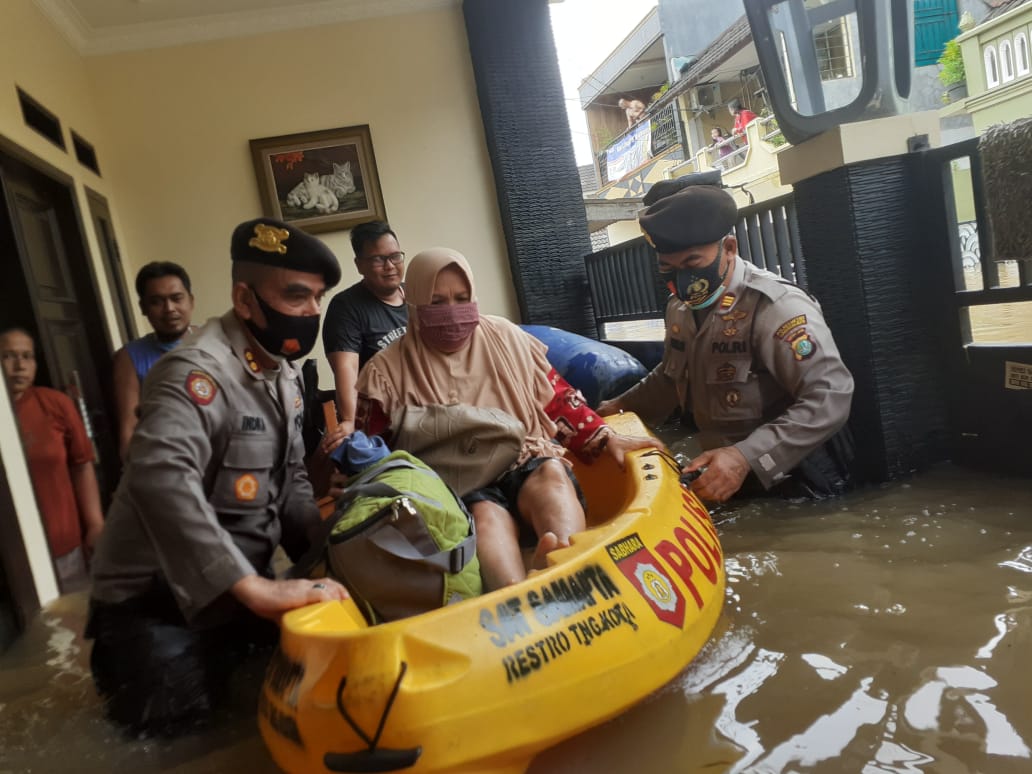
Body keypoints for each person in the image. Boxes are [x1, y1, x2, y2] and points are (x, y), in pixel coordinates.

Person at [86, 217, 349, 736]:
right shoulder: (195, 373)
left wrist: (328, 554)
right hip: (155, 607)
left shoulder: (285, 374)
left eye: (317, 298)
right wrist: (256, 590)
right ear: (244, 299)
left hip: (235, 589)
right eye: (296, 296)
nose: (311, 313)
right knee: (187, 741)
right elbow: (159, 477)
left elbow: (293, 478)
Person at [354, 248, 657, 591]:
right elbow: (370, 450)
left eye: (461, 298)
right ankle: (515, 593)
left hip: (523, 456)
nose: (452, 312)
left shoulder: (507, 338)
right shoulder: (384, 372)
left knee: (552, 475)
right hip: (456, 480)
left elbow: (556, 398)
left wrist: (604, 436)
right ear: (414, 305)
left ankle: (570, 568)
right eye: (437, 302)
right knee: (484, 518)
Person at [598, 186, 854, 502]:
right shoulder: (680, 308)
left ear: (729, 248)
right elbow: (670, 377)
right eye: (668, 267)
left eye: (693, 263)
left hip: (799, 477)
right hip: (724, 469)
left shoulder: (775, 307)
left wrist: (744, 457)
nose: (682, 279)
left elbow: (831, 395)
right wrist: (614, 409)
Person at [1, 327, 105, 593]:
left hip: (64, 546)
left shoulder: (55, 404)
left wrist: (95, 523)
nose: (19, 365)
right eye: (9, 356)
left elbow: (82, 465)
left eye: (27, 356)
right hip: (11, 560)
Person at [322, 221, 408, 436]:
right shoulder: (346, 307)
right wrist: (351, 421)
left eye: (395, 256)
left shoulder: (418, 295)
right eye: (378, 259)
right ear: (359, 265)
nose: (390, 266)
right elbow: (346, 369)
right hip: (383, 417)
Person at [112, 261, 196, 461]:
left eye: (176, 298)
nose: (169, 309)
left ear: (191, 301)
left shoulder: (217, 342)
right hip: (168, 461)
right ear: (143, 307)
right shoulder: (130, 357)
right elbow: (129, 428)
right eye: (157, 301)